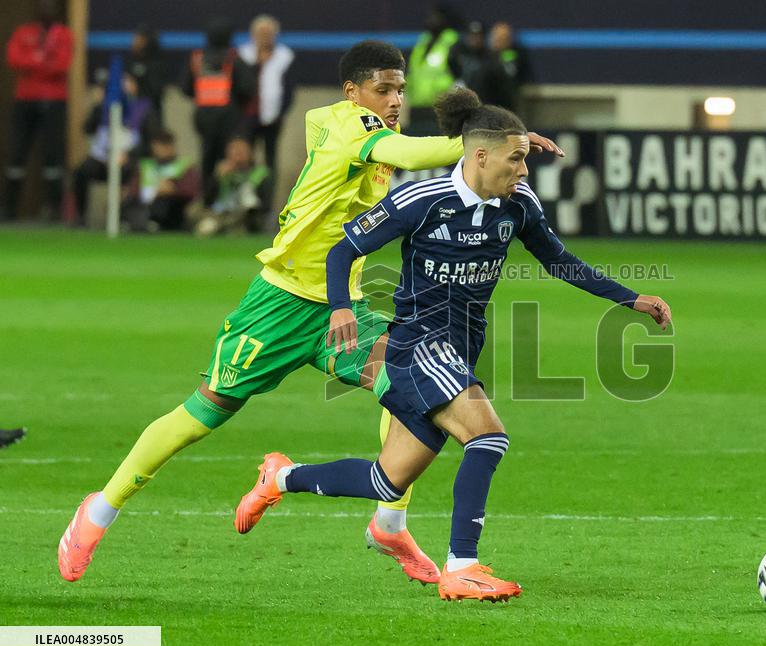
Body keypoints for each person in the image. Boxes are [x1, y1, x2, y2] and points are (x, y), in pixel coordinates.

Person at [56, 40, 562, 584]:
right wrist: (482, 141)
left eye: (400, 89)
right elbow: (415, 156)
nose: (395, 100)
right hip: (279, 302)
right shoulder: (352, 127)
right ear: (353, 92)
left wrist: (495, 146)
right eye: (383, 89)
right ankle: (99, 509)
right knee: (204, 412)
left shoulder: (376, 137)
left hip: (341, 310)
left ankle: (390, 521)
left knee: (410, 382)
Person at [234, 90, 670, 602]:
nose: (525, 171)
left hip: (459, 348)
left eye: (525, 158)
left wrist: (630, 298)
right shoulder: (420, 200)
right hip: (419, 343)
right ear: (479, 156)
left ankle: (280, 477)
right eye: (516, 158)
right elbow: (344, 248)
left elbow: (559, 260)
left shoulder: (520, 205)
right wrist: (341, 307)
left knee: (386, 481)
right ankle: (462, 565)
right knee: (488, 438)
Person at [3, 0, 74, 221]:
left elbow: (62, 65)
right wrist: (41, 61)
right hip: (25, 99)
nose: (46, 10)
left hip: (54, 100)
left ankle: (53, 210)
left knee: (53, 155)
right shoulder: (24, 32)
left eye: (50, 6)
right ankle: (9, 209)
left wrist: (35, 62)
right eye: (42, 6)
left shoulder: (64, 34)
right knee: (16, 153)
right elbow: (14, 59)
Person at [181, 18, 255, 202]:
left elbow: (185, 88)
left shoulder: (197, 59)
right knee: (230, 163)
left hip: (204, 121)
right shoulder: (234, 59)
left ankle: (207, 203)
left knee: (207, 162)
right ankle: (227, 203)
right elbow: (248, 88)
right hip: (229, 120)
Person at [73, 73, 159, 226]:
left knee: (134, 173)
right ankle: (81, 217)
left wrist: (130, 154)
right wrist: (98, 106)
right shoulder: (103, 108)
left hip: (130, 160)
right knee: (80, 172)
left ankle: (126, 217)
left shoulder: (143, 109)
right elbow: (87, 128)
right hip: (102, 159)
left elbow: (150, 141)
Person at [238, 14, 295, 176]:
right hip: (247, 116)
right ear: (253, 35)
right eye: (261, 34)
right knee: (245, 157)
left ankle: (267, 197)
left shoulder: (285, 57)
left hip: (273, 117)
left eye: (268, 34)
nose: (264, 38)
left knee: (271, 158)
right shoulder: (242, 56)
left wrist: (281, 112)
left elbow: (289, 89)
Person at [121, 129, 198, 232]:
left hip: (170, 205)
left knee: (165, 204)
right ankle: (137, 223)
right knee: (129, 202)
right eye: (158, 145)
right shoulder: (146, 165)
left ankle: (150, 224)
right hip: (145, 203)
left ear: (172, 146)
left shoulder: (183, 165)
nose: (161, 149)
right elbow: (133, 189)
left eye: (164, 145)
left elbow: (191, 191)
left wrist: (173, 190)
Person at [195, 135, 272, 236]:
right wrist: (217, 178)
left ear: (250, 153)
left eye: (241, 151)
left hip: (244, 215)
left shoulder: (259, 173)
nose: (237, 155)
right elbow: (207, 198)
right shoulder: (222, 171)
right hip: (219, 212)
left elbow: (265, 203)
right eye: (234, 151)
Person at [406, 5, 461, 136]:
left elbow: (459, 76)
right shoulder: (423, 42)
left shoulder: (453, 43)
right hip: (417, 105)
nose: (431, 20)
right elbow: (414, 72)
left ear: (445, 20)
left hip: (440, 106)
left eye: (436, 17)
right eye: (430, 17)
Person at [485, 22, 532, 111]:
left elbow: (522, 75)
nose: (501, 41)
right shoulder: (484, 57)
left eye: (504, 38)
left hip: (509, 104)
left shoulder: (517, 55)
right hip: (487, 103)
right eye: (498, 38)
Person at [124, 25, 166, 118]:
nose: (134, 42)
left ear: (147, 41)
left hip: (150, 112)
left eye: (139, 39)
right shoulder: (131, 60)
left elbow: (156, 91)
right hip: (131, 108)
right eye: (134, 38)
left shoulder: (156, 63)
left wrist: (137, 89)